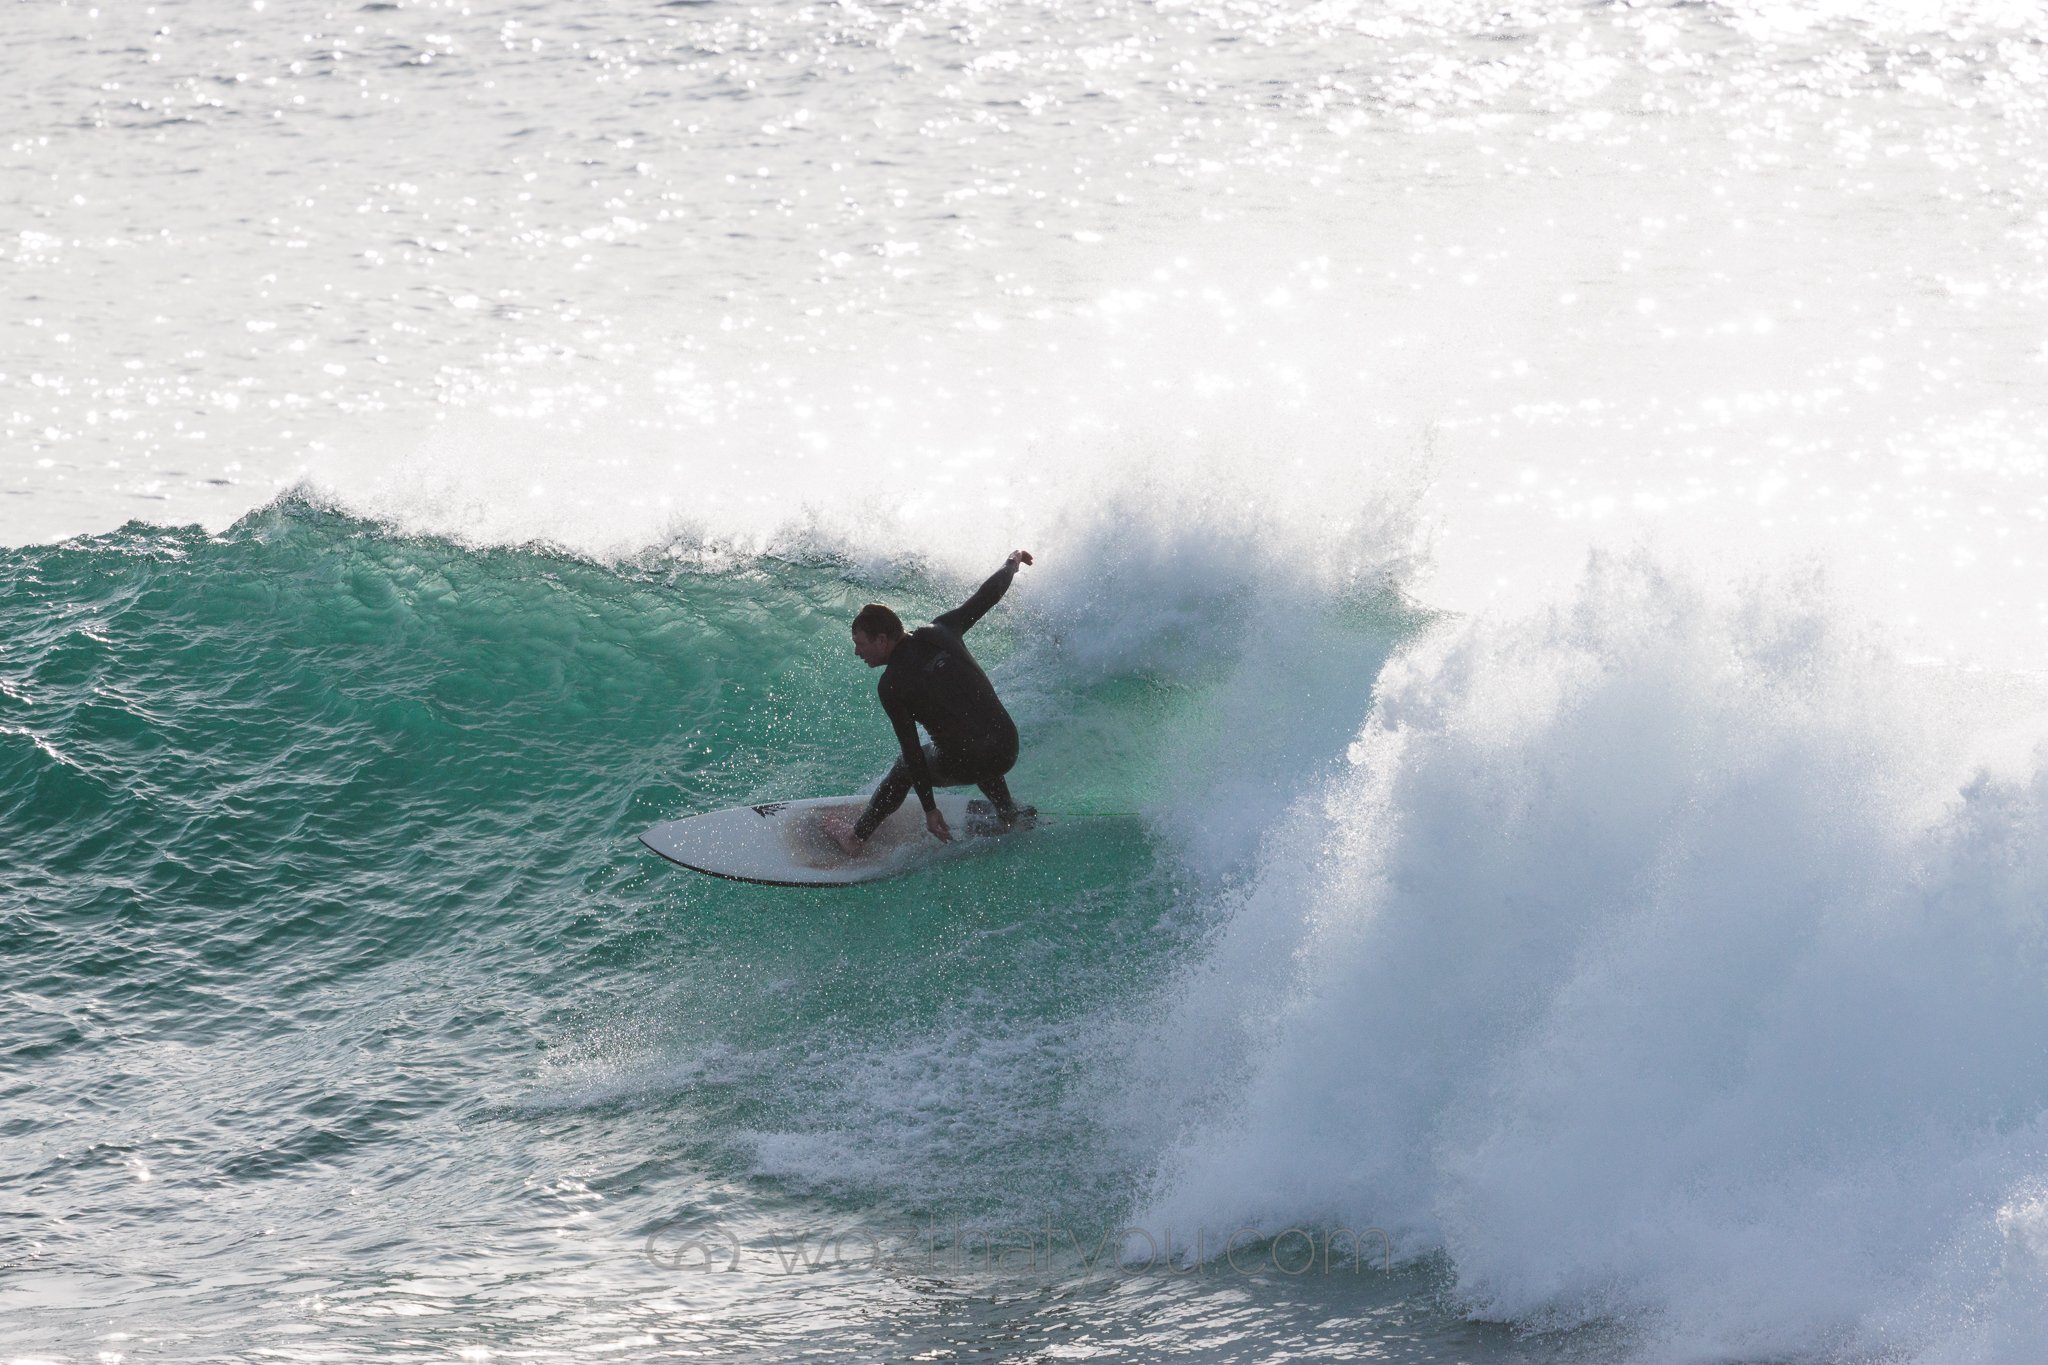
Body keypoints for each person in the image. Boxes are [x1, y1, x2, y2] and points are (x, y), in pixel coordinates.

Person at [823, 550, 1034, 857]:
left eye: (860, 643)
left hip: (970, 759)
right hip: (1007, 746)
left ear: (882, 639)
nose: (858, 652)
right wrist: (1011, 564)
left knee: (905, 767)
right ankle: (1008, 815)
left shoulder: (891, 684)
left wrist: (930, 809)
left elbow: (911, 753)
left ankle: (855, 839)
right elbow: (985, 597)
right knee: (972, 734)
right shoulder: (942, 631)